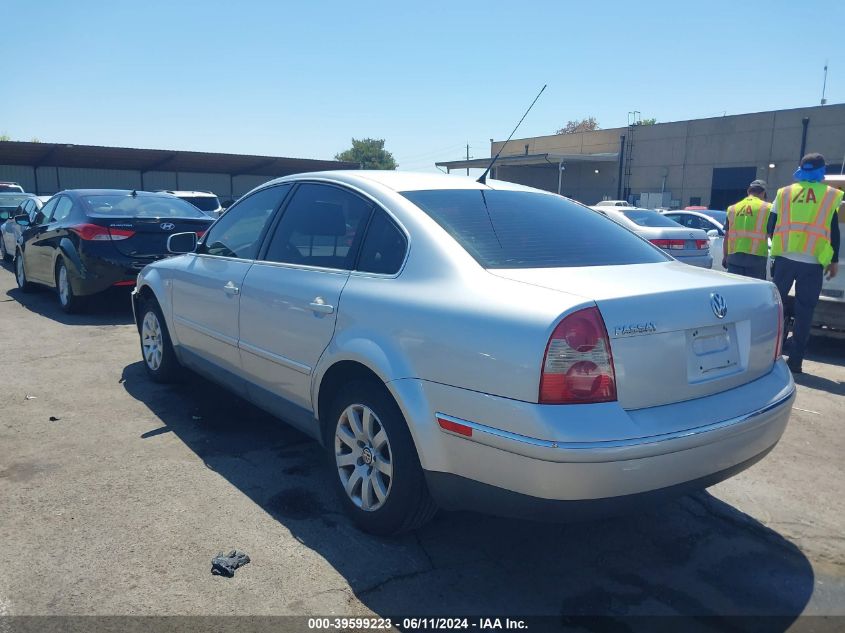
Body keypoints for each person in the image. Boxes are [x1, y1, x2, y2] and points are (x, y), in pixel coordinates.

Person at [769, 153, 842, 374]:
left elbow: (770, 225)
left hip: (784, 258)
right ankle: (796, 362)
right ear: (822, 171)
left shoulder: (784, 193)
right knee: (805, 311)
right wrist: (833, 260)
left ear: (800, 169)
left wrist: (780, 247)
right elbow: (834, 232)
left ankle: (771, 354)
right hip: (812, 262)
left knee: (776, 308)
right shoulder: (830, 195)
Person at [721, 179, 771, 279]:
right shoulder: (768, 208)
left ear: (748, 191)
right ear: (763, 193)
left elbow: (727, 235)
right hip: (756, 259)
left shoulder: (732, 208)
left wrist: (725, 256)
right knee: (754, 291)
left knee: (736, 289)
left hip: (734, 258)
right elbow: (773, 235)